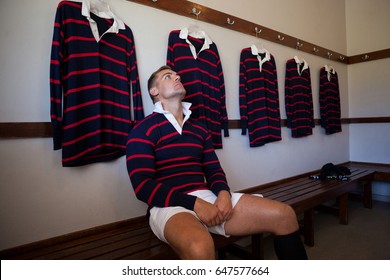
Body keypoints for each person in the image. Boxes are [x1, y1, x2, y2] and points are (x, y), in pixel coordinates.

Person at [126, 65, 308, 260]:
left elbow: (213, 170)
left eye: (178, 75)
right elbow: (143, 186)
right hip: (168, 205)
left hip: (206, 197)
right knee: (200, 248)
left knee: (285, 215)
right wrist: (194, 203)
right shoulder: (142, 130)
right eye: (168, 76)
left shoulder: (199, 129)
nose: (177, 77)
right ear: (154, 91)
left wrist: (223, 193)